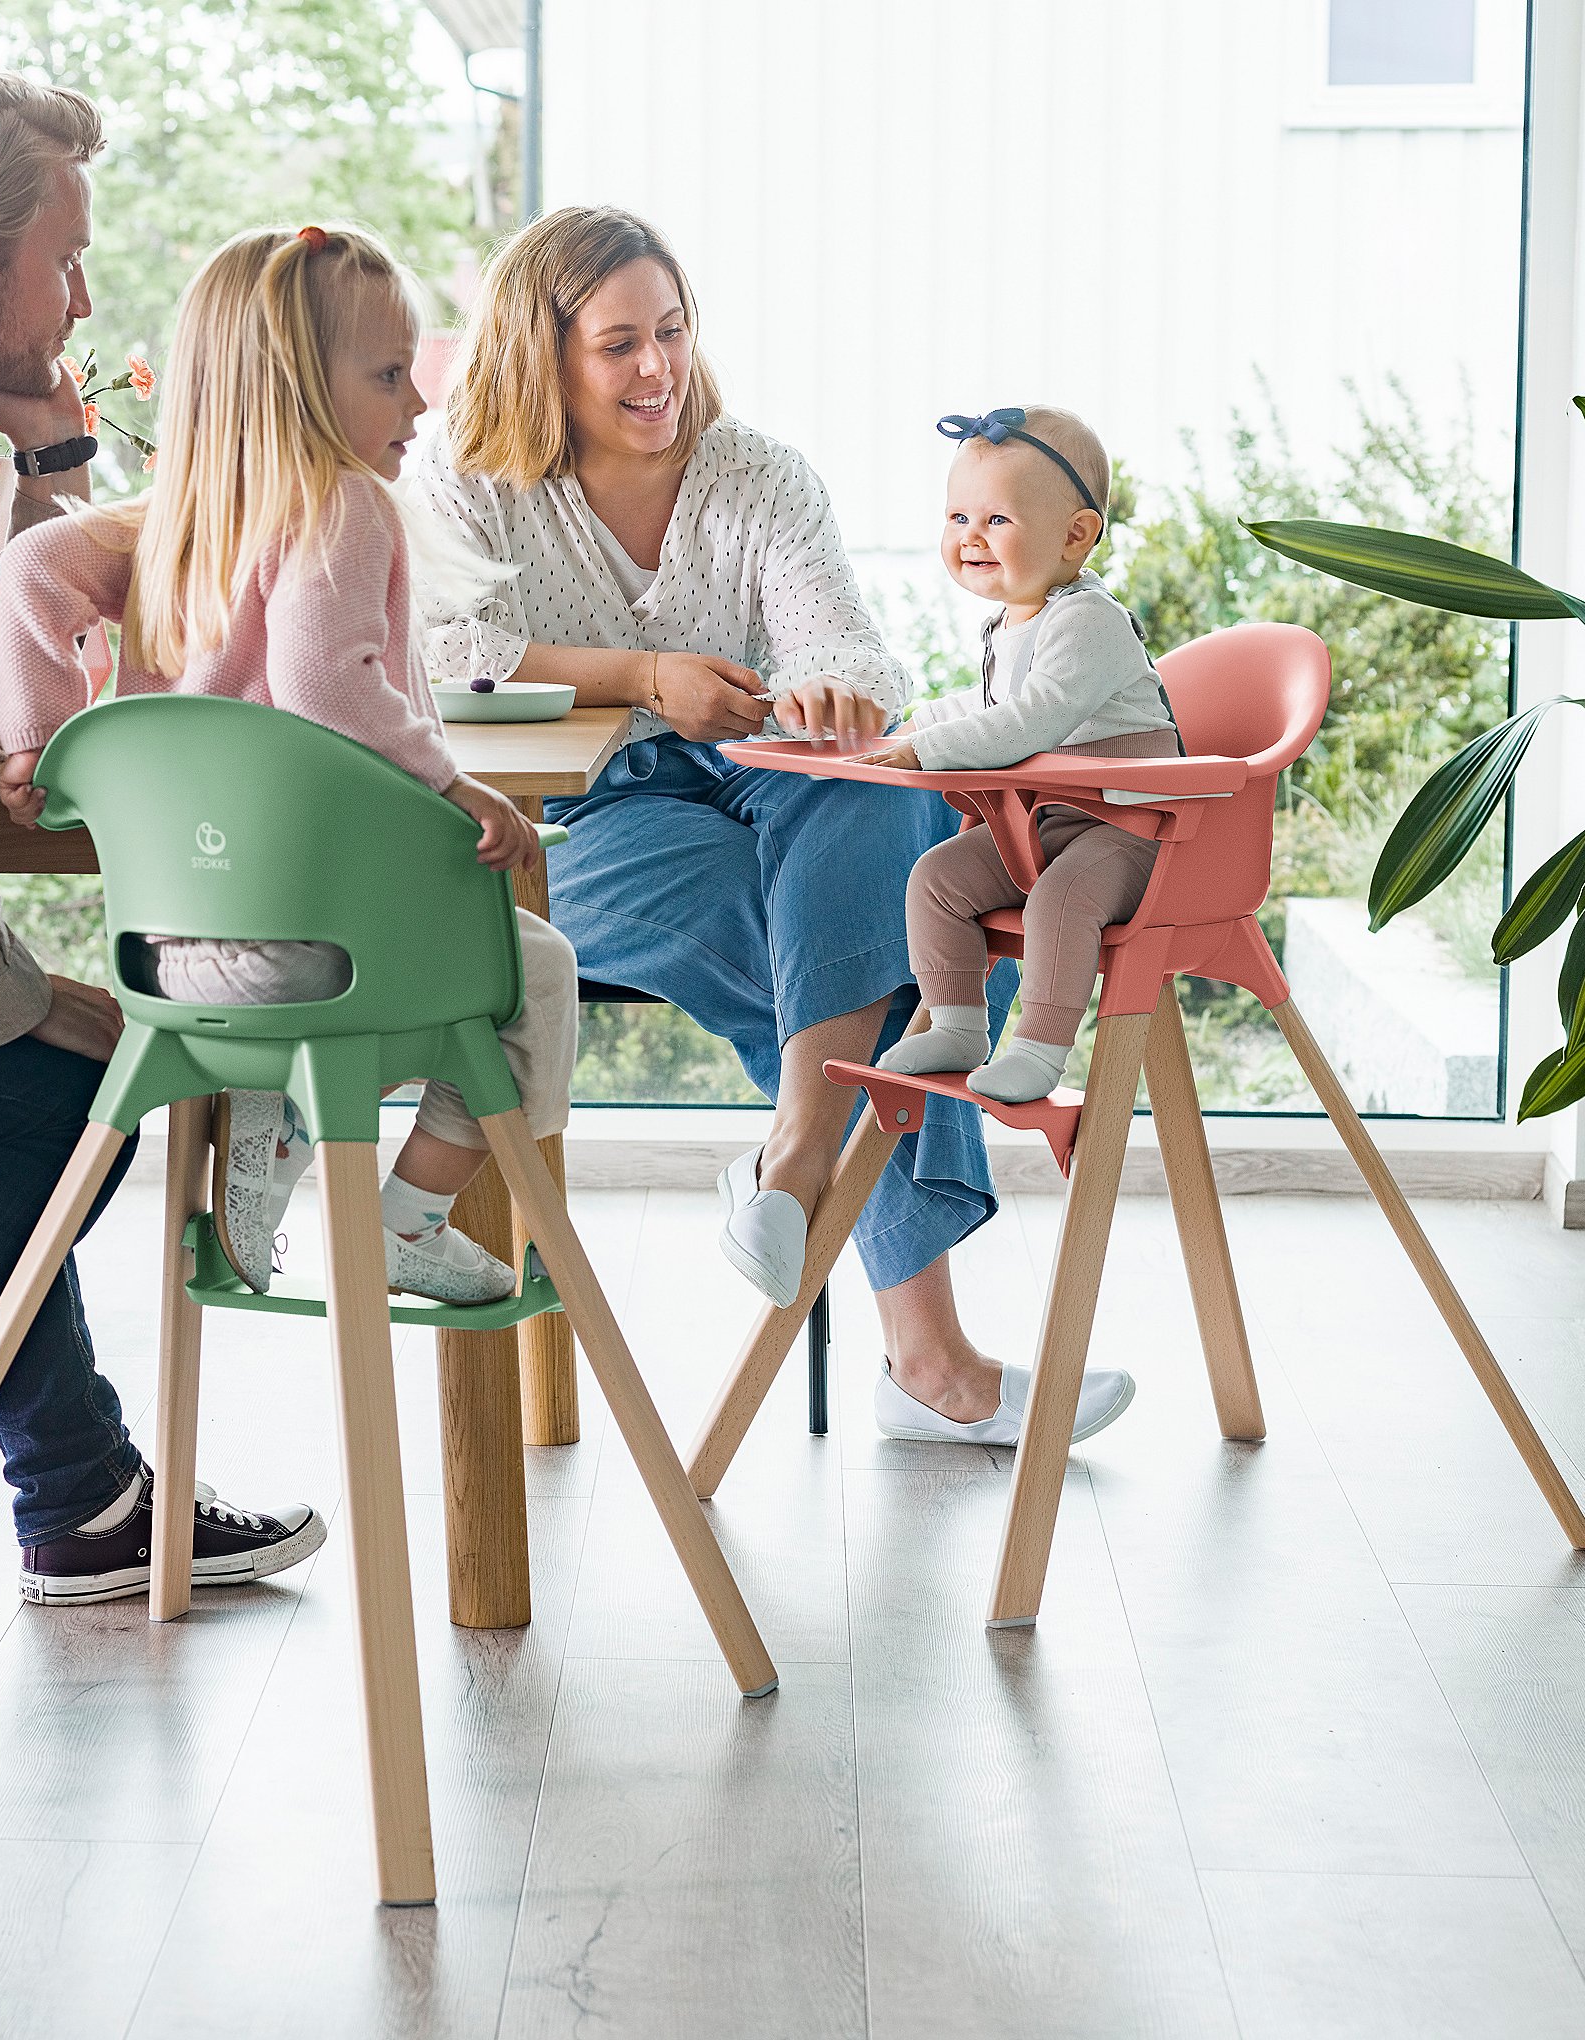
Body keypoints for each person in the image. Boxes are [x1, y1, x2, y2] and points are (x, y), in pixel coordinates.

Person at [413, 206, 1135, 1450]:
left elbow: (839, 637)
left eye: (674, 333)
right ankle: (930, 1361)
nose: (659, 371)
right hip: (584, 818)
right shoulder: (463, 478)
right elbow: (439, 654)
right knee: (861, 966)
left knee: (858, 789)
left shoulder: (755, 471)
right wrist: (644, 677)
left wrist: (828, 689)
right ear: (543, 355)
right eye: (619, 345)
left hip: (767, 777)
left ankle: (795, 1163)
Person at [0, 73, 323, 1732]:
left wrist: (52, 462)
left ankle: (82, 1504)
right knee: (61, 1088)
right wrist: (6, 986)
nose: (84, 297)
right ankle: (71, 1497)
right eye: (67, 257)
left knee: (53, 1085)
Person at [0, 224, 579, 1307]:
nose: (419, 406)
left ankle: (281, 1106)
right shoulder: (344, 505)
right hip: (324, 955)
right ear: (301, 388)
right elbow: (329, 686)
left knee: (424, 966)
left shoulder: (168, 526)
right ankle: (410, 1217)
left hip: (174, 957)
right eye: (391, 376)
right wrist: (451, 787)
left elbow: (31, 565)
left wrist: (36, 733)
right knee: (532, 971)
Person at [869, 404, 1180, 1105]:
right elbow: (982, 708)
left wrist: (926, 753)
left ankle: (1040, 1049)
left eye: (996, 521)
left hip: (1133, 829)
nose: (971, 537)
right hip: (1048, 825)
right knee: (937, 878)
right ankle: (956, 1025)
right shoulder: (1009, 623)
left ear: (1076, 536)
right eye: (958, 519)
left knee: (1061, 900)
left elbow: (1029, 721)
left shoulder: (1089, 621)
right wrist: (898, 733)